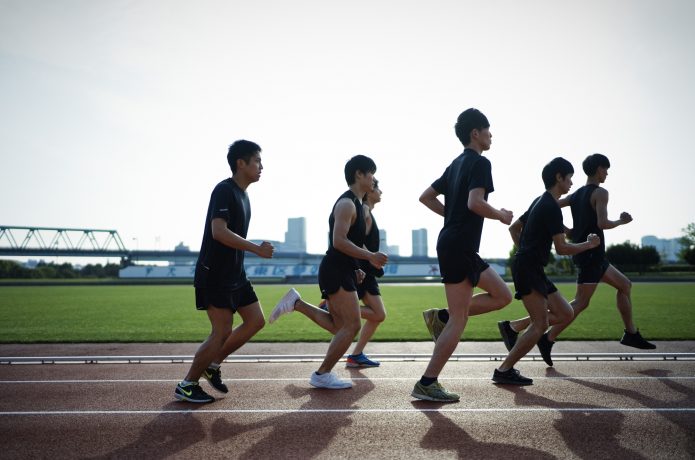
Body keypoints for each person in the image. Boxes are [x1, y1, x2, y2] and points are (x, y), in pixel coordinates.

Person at [497, 153, 655, 367]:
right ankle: (521, 342)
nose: (607, 173)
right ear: (599, 169)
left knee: (622, 286)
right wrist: (620, 221)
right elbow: (600, 223)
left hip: (581, 255)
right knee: (573, 306)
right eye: (606, 169)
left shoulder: (568, 196)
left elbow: (543, 215)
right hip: (587, 253)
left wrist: (566, 232)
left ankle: (630, 332)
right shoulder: (599, 193)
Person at [412, 108, 514, 402]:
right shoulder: (480, 163)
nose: (491, 135)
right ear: (475, 133)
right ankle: (427, 382)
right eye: (488, 130)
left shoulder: (455, 164)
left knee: (503, 296)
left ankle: (440, 316)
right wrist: (500, 215)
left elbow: (425, 197)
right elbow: (475, 203)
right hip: (459, 244)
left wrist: (451, 215)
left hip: (457, 243)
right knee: (460, 319)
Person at [269, 155, 388, 389]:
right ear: (359, 175)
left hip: (344, 269)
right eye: (371, 173)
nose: (373, 179)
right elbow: (339, 241)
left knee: (338, 327)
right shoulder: (346, 204)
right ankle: (322, 374)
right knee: (351, 326)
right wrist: (370, 257)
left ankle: (297, 303)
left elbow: (352, 243)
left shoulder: (357, 204)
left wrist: (358, 266)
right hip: (335, 269)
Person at [174, 140, 275, 403]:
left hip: (236, 274)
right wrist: (255, 248)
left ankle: (213, 363)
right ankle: (187, 384)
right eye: (257, 161)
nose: (261, 166)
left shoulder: (245, 195)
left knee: (256, 321)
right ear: (241, 163)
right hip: (215, 274)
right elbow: (218, 232)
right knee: (221, 332)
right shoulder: (224, 190)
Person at [493, 157, 600, 385]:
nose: (572, 183)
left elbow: (514, 228)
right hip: (528, 268)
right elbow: (562, 248)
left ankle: (513, 328)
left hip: (532, 267)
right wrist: (588, 245)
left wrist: (525, 248)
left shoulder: (540, 201)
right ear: (558, 178)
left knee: (565, 313)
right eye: (569, 178)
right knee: (540, 324)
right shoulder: (551, 206)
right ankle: (503, 370)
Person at [319, 179, 386, 368]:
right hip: (362, 269)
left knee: (376, 316)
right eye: (377, 187)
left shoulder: (365, 210)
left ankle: (356, 354)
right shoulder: (362, 209)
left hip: (363, 268)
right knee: (375, 315)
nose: (380, 191)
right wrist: (369, 260)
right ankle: (332, 309)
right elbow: (355, 241)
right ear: (369, 191)